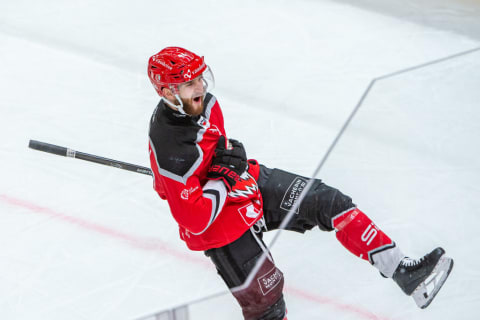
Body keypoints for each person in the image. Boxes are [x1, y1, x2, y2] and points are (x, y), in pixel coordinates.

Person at [147, 47, 453, 320]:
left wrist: (226, 169)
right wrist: (220, 177)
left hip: (245, 185)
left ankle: (406, 273)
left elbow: (218, 152)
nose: (201, 86)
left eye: (200, 77)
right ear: (167, 91)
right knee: (268, 308)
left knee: (328, 202)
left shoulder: (205, 104)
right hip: (221, 227)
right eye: (190, 84)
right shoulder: (172, 152)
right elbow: (195, 219)